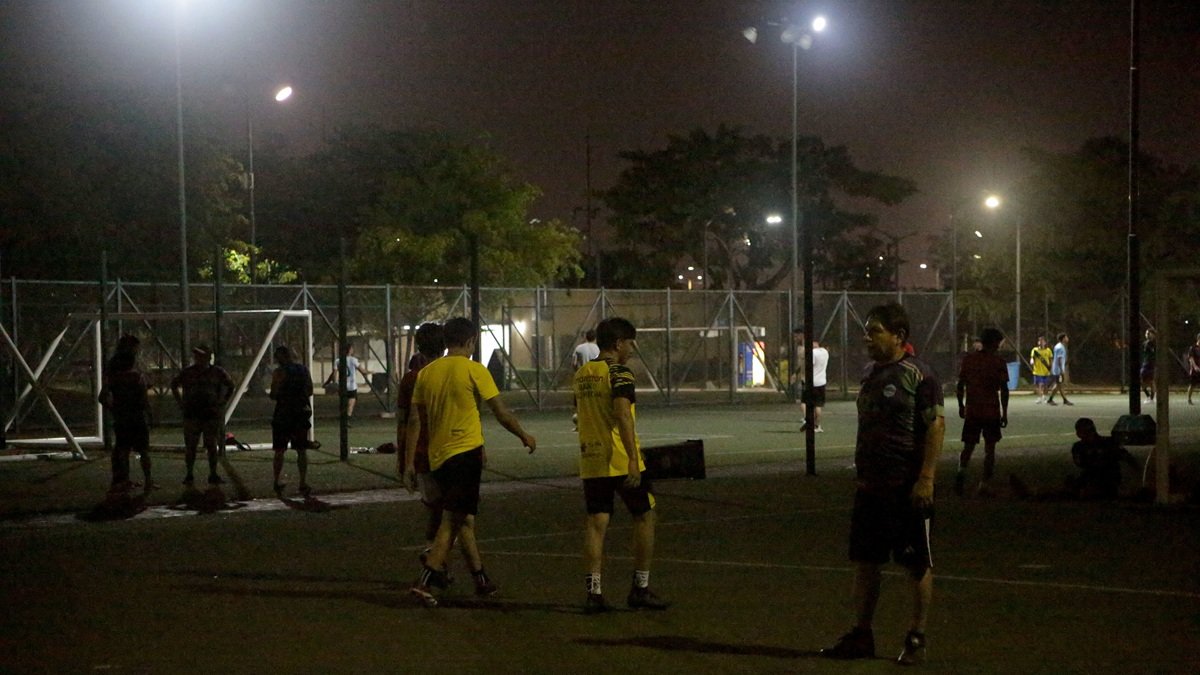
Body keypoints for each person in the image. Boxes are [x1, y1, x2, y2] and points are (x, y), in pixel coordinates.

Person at [820, 303, 945, 666]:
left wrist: (925, 478)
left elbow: (936, 426)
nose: (867, 337)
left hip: (905, 486)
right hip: (870, 487)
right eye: (867, 330)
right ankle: (861, 634)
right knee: (865, 561)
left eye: (875, 330)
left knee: (915, 563)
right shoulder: (870, 373)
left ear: (899, 336)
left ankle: (916, 638)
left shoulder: (919, 375)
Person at [408, 317, 536, 607]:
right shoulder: (474, 370)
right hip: (465, 454)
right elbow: (500, 412)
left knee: (463, 517)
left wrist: (410, 460)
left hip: (437, 457)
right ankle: (426, 579)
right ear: (470, 342)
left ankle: (480, 579)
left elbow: (417, 418)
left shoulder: (426, 374)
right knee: (452, 519)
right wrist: (523, 434)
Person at [573, 317, 668, 614]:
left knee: (596, 524)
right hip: (618, 458)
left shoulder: (582, 374)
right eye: (630, 342)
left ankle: (594, 593)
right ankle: (640, 588)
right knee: (645, 516)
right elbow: (623, 416)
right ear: (617, 344)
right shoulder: (620, 373)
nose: (632, 348)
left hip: (591, 459)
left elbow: (580, 414)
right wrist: (631, 460)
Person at [398, 323, 452, 562]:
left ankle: (435, 556)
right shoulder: (452, 373)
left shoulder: (411, 378)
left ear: (419, 346)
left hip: (421, 453)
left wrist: (404, 461)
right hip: (451, 451)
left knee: (438, 509)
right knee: (454, 514)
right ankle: (435, 562)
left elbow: (404, 423)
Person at [1009, 418, 1139, 500]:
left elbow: (1125, 458)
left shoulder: (1102, 444)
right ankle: (1034, 493)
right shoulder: (1089, 446)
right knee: (1071, 488)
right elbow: (1126, 458)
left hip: (1106, 480)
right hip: (1091, 478)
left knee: (1072, 493)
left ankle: (1034, 494)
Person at [955, 328, 1009, 496]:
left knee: (968, 447)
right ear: (994, 342)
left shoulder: (969, 360)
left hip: (973, 410)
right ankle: (984, 484)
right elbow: (1004, 389)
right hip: (990, 411)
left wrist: (961, 405)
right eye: (998, 342)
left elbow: (960, 384)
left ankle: (960, 475)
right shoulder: (998, 362)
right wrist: (1004, 412)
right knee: (990, 449)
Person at [170, 344, 235, 486]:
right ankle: (190, 474)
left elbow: (231, 385)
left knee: (211, 445)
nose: (197, 358)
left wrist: (222, 401)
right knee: (191, 446)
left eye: (200, 355)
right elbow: (174, 384)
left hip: (210, 414)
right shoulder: (188, 372)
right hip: (193, 413)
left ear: (207, 357)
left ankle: (212, 473)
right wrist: (181, 403)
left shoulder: (217, 372)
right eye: (196, 356)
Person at [99, 335, 154, 493]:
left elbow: (103, 396)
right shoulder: (135, 377)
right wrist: (149, 413)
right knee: (142, 450)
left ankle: (123, 479)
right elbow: (143, 397)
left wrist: (114, 409)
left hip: (122, 416)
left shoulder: (113, 375)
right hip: (136, 416)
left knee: (123, 449)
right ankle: (147, 480)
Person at [270, 345, 314, 497]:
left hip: (283, 414)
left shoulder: (279, 372)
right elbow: (310, 390)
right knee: (301, 450)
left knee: (279, 450)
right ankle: (302, 482)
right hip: (300, 413)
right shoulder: (303, 370)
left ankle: (277, 481)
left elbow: (274, 394)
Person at [329, 343, 370, 420]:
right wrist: (371, 372)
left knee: (343, 401)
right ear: (350, 350)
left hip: (342, 384)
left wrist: (335, 382)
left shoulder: (338, 360)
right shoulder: (353, 360)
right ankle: (348, 415)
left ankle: (343, 415)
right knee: (352, 399)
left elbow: (334, 373)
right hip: (351, 385)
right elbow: (363, 371)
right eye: (352, 349)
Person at [800, 334, 830, 433]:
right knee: (818, 405)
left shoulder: (812, 353)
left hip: (811, 382)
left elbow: (808, 366)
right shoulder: (825, 352)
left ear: (815, 343)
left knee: (805, 402)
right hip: (821, 382)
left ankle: (808, 422)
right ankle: (817, 425)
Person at [572, 329, 600, 430]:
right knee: (595, 402)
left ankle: (579, 425)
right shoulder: (599, 349)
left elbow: (574, 364)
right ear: (595, 338)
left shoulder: (579, 348)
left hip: (582, 379)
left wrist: (577, 373)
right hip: (597, 379)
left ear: (586, 337)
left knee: (579, 401)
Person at [1045, 332, 1073, 406]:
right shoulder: (1060, 347)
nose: (1067, 338)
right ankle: (1064, 400)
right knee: (1059, 385)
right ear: (1063, 339)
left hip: (1056, 369)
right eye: (1066, 337)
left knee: (1058, 385)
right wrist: (1061, 371)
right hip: (1058, 370)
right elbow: (1059, 359)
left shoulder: (1058, 346)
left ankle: (1051, 399)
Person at [1029, 335, 1053, 404]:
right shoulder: (1035, 350)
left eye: (1042, 341)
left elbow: (1051, 359)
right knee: (1039, 385)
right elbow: (1032, 358)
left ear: (1045, 342)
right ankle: (1040, 397)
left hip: (1046, 371)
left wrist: (1051, 368)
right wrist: (1031, 361)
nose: (1041, 342)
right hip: (1037, 371)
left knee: (1045, 385)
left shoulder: (1048, 350)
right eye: (1039, 341)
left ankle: (1044, 397)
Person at [1140, 329, 1156, 404]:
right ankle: (1148, 396)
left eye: (1148, 333)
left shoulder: (1154, 343)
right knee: (1142, 382)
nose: (1147, 334)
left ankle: (1152, 398)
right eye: (1146, 333)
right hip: (1145, 364)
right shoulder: (1144, 343)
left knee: (1151, 381)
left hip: (1151, 364)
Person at [1187, 333, 1200, 405]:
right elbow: (1191, 358)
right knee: (1192, 384)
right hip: (1195, 370)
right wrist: (1195, 366)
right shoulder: (1193, 348)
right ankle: (1189, 399)